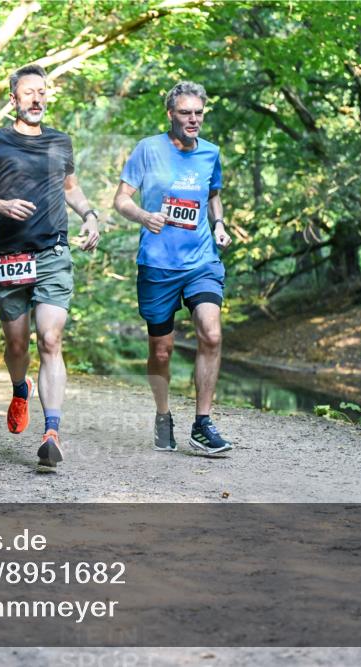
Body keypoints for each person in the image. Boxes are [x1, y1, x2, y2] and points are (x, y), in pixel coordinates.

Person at [0, 64, 100, 471]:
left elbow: (71, 188)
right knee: (18, 346)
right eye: (29, 93)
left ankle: (52, 431)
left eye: (42, 92)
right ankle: (20, 388)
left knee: (50, 339)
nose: (37, 99)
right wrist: (0, 204)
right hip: (8, 259)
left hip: (53, 253)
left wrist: (90, 215)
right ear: (14, 100)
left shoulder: (60, 142)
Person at [113, 81, 233, 455]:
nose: (193, 119)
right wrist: (144, 216)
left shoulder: (210, 153)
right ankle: (163, 414)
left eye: (198, 112)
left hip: (200, 261)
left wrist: (219, 224)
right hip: (158, 265)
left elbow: (213, 195)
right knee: (161, 351)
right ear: (171, 115)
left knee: (210, 333)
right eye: (185, 112)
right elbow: (120, 200)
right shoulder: (148, 150)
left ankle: (203, 423)